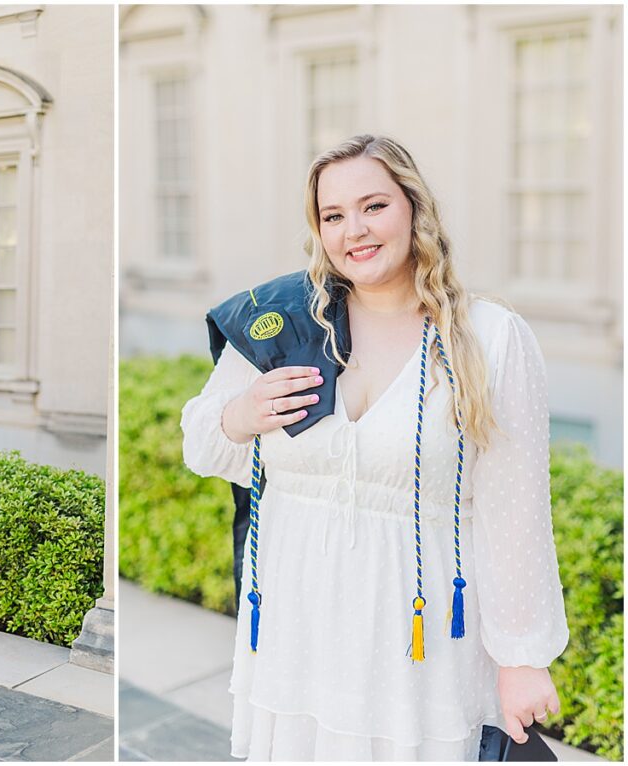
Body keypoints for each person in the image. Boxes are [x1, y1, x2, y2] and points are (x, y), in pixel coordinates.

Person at [182, 135, 569, 761]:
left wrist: (521, 657)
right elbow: (201, 444)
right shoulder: (281, 324)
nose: (353, 231)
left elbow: (515, 510)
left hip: (421, 645)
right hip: (296, 631)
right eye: (332, 216)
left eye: (373, 206)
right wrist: (240, 413)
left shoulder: (487, 338)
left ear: (414, 208)